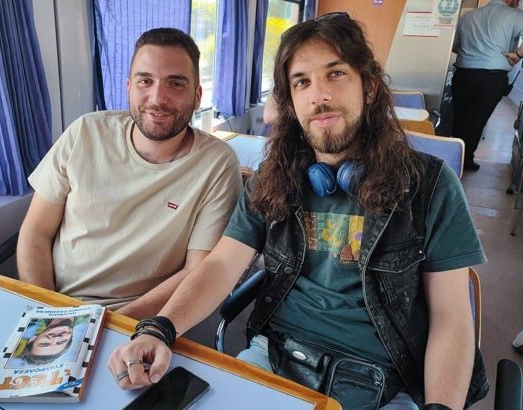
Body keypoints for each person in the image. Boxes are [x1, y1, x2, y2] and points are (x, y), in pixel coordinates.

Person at [108, 14, 489, 410]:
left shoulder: (430, 186)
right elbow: (221, 265)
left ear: (370, 87)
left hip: (384, 380)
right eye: (301, 82)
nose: (318, 95)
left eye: (336, 73)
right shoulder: (273, 179)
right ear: (290, 100)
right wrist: (160, 328)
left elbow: (452, 318)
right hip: (276, 360)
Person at [17, 28, 242, 319]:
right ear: (128, 87)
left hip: (134, 319)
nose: (157, 97)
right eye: (145, 81)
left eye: (175, 84)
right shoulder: (85, 132)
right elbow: (36, 231)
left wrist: (106, 324)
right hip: (53, 306)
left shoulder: (217, 165)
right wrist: (45, 311)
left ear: (197, 96)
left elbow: (196, 270)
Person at [452, 0, 523, 171]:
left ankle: (454, 159)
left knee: (459, 120)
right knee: (476, 121)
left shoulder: (467, 16)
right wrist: (517, 54)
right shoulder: (514, 15)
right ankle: (465, 161)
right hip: (491, 79)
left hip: (463, 74)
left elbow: (454, 47)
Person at [12, 317, 81, 366]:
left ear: (33, 339)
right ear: (70, 337)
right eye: (61, 342)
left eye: (44, 343)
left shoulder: (34, 317)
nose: (55, 338)